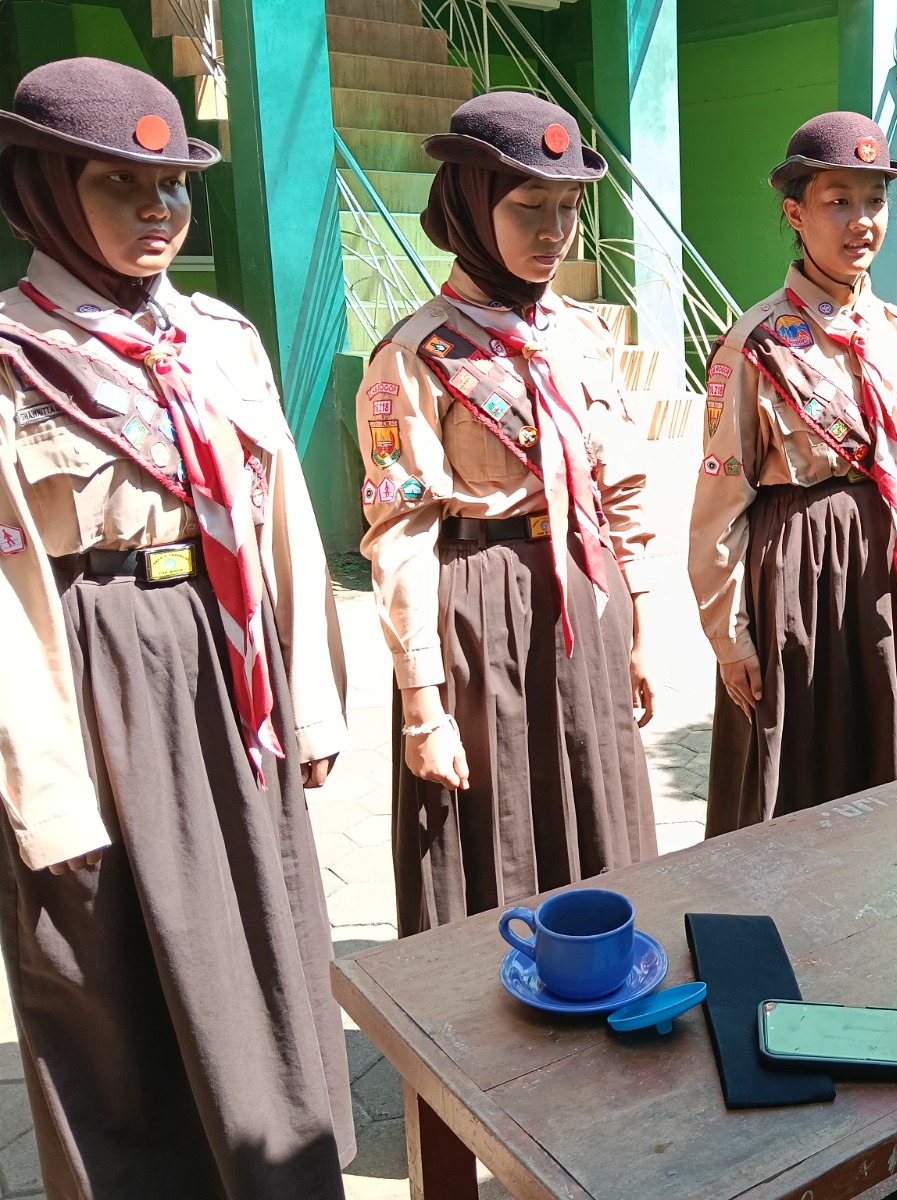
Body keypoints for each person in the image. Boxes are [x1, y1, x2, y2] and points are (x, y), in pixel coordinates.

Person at [0, 58, 354, 1195]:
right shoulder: (11, 359)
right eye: (121, 183)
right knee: (111, 958)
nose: (159, 211)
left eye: (175, 186)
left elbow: (281, 517)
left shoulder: (217, 337)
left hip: (226, 660)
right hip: (93, 671)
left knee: (256, 920)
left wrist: (307, 695)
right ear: (46, 188)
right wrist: (40, 789)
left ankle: (284, 1167)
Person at [359, 91, 656, 937]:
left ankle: (601, 999)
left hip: (582, 600)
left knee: (597, 808)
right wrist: (423, 701)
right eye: (529, 206)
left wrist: (635, 623)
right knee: (497, 838)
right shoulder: (415, 355)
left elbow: (620, 487)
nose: (554, 230)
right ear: (467, 205)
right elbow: (401, 532)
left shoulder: (586, 334)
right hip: (478, 617)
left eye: (567, 207)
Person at [688, 110, 897, 836]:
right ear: (795, 213)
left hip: (890, 578)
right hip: (800, 582)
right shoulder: (753, 345)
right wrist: (732, 638)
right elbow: (720, 503)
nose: (860, 221)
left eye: (874, 200)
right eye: (837, 200)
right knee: (799, 778)